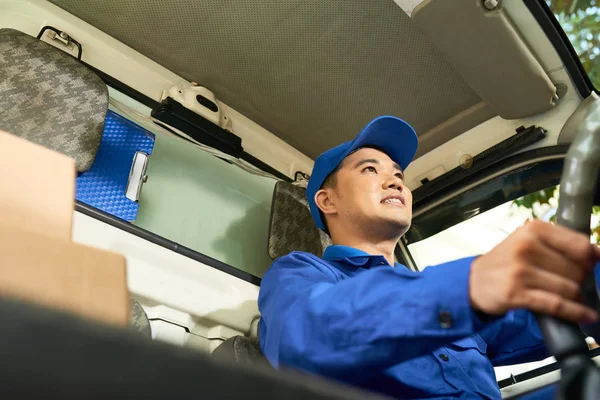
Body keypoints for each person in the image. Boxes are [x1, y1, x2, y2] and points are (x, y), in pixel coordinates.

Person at [258, 116, 600, 399]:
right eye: (369, 169)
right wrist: (472, 285)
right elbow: (303, 338)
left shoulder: (426, 284)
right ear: (327, 201)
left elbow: (548, 315)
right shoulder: (300, 273)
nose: (394, 181)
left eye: (398, 174)